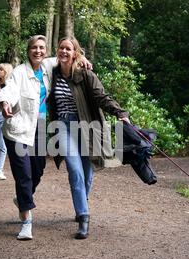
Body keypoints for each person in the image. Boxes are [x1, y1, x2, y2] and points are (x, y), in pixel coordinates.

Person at [47, 36, 130, 239]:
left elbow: (102, 96)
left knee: (88, 171)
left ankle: (81, 201)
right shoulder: (51, 73)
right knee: (74, 169)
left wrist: (120, 113)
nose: (64, 52)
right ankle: (83, 216)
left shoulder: (85, 74)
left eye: (68, 49)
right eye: (61, 48)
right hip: (63, 127)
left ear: (75, 53)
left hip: (86, 127)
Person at [0, 35, 55, 240]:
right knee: (24, 175)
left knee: (38, 170)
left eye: (41, 47)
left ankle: (22, 198)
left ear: (45, 51)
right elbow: (9, 90)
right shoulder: (19, 72)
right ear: (28, 50)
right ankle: (26, 222)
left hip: (39, 128)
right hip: (18, 130)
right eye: (34, 48)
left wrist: (81, 57)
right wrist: (5, 103)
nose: (38, 51)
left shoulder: (48, 67)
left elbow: (68, 56)